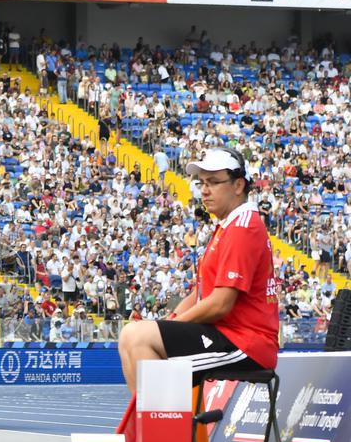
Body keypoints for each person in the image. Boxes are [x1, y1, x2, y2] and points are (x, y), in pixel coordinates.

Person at [118, 148, 279, 396]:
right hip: (228, 335)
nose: (204, 190)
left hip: (245, 342)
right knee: (132, 336)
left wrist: (169, 328)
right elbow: (201, 293)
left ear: (238, 185)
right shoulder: (229, 226)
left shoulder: (243, 227)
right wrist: (168, 323)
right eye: (202, 182)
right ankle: (155, 427)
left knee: (139, 338)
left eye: (214, 182)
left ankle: (163, 430)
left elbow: (220, 304)